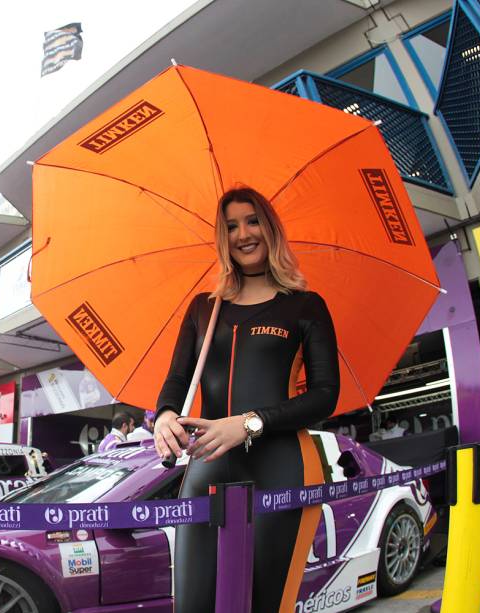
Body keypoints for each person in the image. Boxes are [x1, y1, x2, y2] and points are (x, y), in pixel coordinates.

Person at [154, 186, 339, 613]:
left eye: (252, 221)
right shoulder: (205, 307)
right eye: (231, 226)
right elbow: (178, 379)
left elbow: (325, 396)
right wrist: (164, 415)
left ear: (270, 228)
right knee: (193, 606)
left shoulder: (305, 306)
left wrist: (250, 423)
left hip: (282, 468)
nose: (243, 234)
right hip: (207, 469)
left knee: (264, 606)